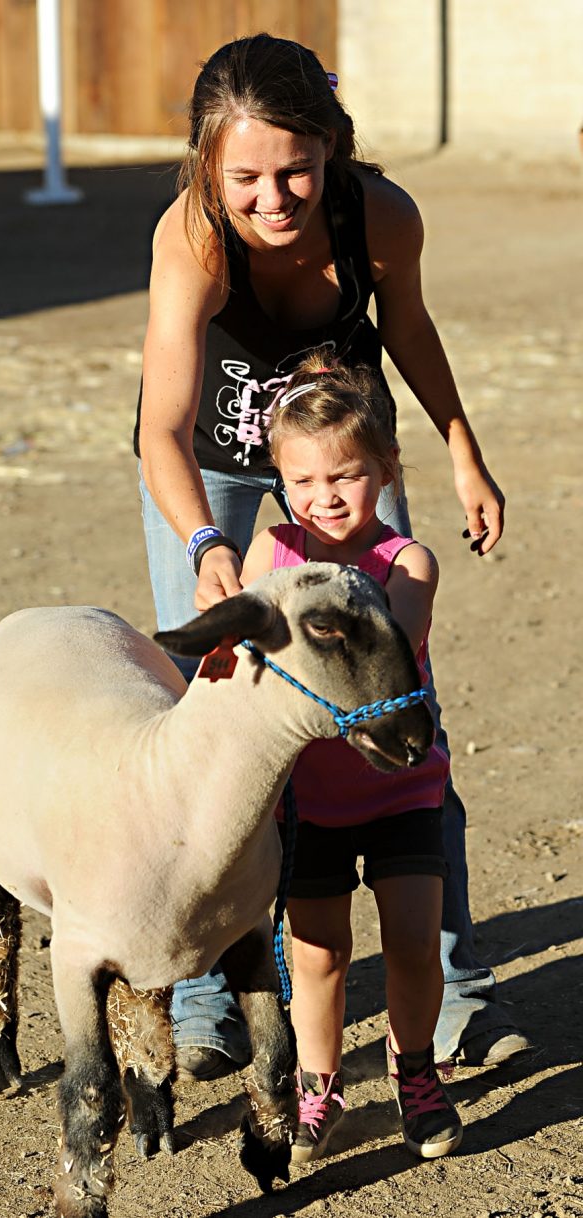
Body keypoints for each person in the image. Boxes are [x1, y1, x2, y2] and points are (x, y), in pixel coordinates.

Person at [134, 32, 530, 1080]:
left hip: (344, 462)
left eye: (297, 171)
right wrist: (207, 544)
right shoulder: (193, 236)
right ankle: (208, 992)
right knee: (209, 714)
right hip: (214, 471)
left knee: (398, 694)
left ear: (332, 147)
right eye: (246, 178)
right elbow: (160, 427)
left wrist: (463, 450)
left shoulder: (380, 216)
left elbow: (410, 329)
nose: (274, 199)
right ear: (209, 167)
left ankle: (457, 992)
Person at [241, 354, 461, 1161]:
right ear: (279, 480)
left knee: (414, 941)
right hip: (308, 798)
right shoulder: (270, 552)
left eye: (345, 475)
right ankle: (318, 1088)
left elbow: (385, 648)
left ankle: (416, 1074)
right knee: (319, 956)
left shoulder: (408, 562)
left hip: (402, 783)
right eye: (301, 480)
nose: (324, 496)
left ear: (387, 470)